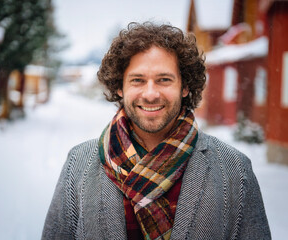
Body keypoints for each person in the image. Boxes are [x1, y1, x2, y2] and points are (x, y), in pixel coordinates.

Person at [42, 22, 271, 240]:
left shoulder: (234, 170)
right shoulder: (79, 164)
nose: (151, 93)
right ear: (120, 87)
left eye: (164, 80)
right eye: (138, 80)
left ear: (185, 87)